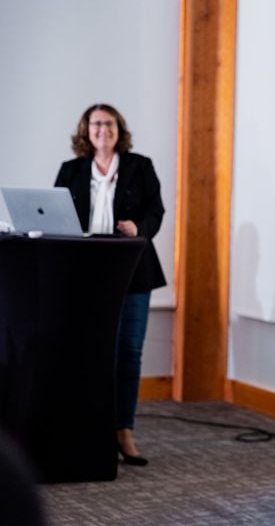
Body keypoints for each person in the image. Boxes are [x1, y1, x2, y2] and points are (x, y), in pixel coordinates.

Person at [55, 104, 166, 466]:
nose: (103, 129)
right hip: (86, 271)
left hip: (132, 267)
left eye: (110, 123)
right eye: (96, 124)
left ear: (120, 129)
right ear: (86, 131)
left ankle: (124, 431)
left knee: (129, 350)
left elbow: (156, 211)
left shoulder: (140, 167)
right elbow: (55, 213)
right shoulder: (71, 171)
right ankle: (90, 428)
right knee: (89, 351)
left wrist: (141, 229)